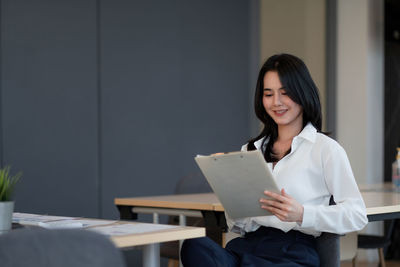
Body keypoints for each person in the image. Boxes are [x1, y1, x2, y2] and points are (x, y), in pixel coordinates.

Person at [181, 53, 368, 266]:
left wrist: (302, 214)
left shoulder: (325, 149)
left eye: (285, 93)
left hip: (293, 252)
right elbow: (239, 225)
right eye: (268, 94)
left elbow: (356, 214)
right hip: (248, 247)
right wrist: (228, 188)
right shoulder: (251, 150)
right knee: (194, 246)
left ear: (302, 93)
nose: (276, 102)